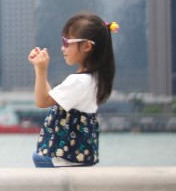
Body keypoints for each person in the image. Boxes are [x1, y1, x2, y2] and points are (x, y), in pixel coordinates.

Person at [28, 12, 117, 168]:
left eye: (66, 41)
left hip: (63, 159)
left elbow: (42, 101)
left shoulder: (79, 81)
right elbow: (51, 98)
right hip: (78, 158)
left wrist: (41, 71)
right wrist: (38, 68)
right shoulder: (94, 78)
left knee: (37, 157)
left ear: (86, 46)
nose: (63, 47)